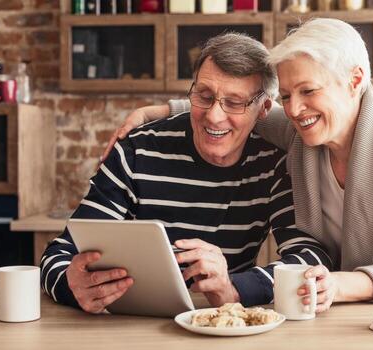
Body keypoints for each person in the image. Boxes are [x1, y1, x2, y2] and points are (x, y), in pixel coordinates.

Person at [103, 18, 373, 313]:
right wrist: (156, 111)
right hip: (344, 309)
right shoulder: (302, 131)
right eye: (286, 95)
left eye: (309, 91)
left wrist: (336, 284)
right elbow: (234, 109)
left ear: (355, 81)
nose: (295, 109)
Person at [41, 33, 332, 314]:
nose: (214, 116)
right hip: (129, 324)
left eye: (234, 103)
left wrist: (234, 287)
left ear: (264, 109)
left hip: (221, 324)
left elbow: (309, 259)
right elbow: (58, 254)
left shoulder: (272, 164)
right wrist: (71, 284)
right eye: (204, 96)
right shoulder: (137, 151)